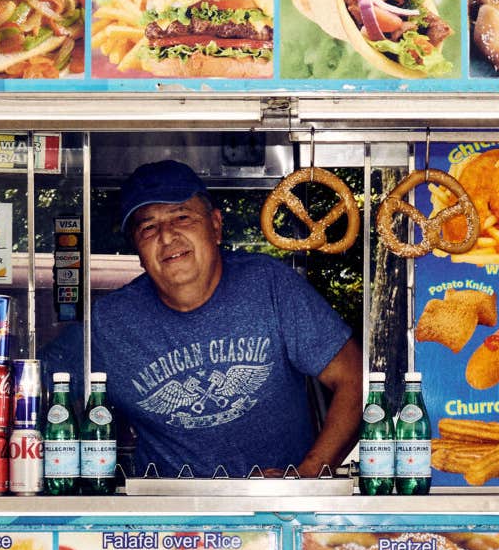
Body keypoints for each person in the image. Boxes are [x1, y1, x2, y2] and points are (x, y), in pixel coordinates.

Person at [45, 159, 363, 478]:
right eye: (148, 227)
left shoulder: (269, 286)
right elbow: (33, 390)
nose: (167, 237)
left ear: (215, 225)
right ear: (138, 252)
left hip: (277, 514)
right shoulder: (109, 324)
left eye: (182, 217)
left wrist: (305, 476)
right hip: (166, 518)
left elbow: (353, 378)